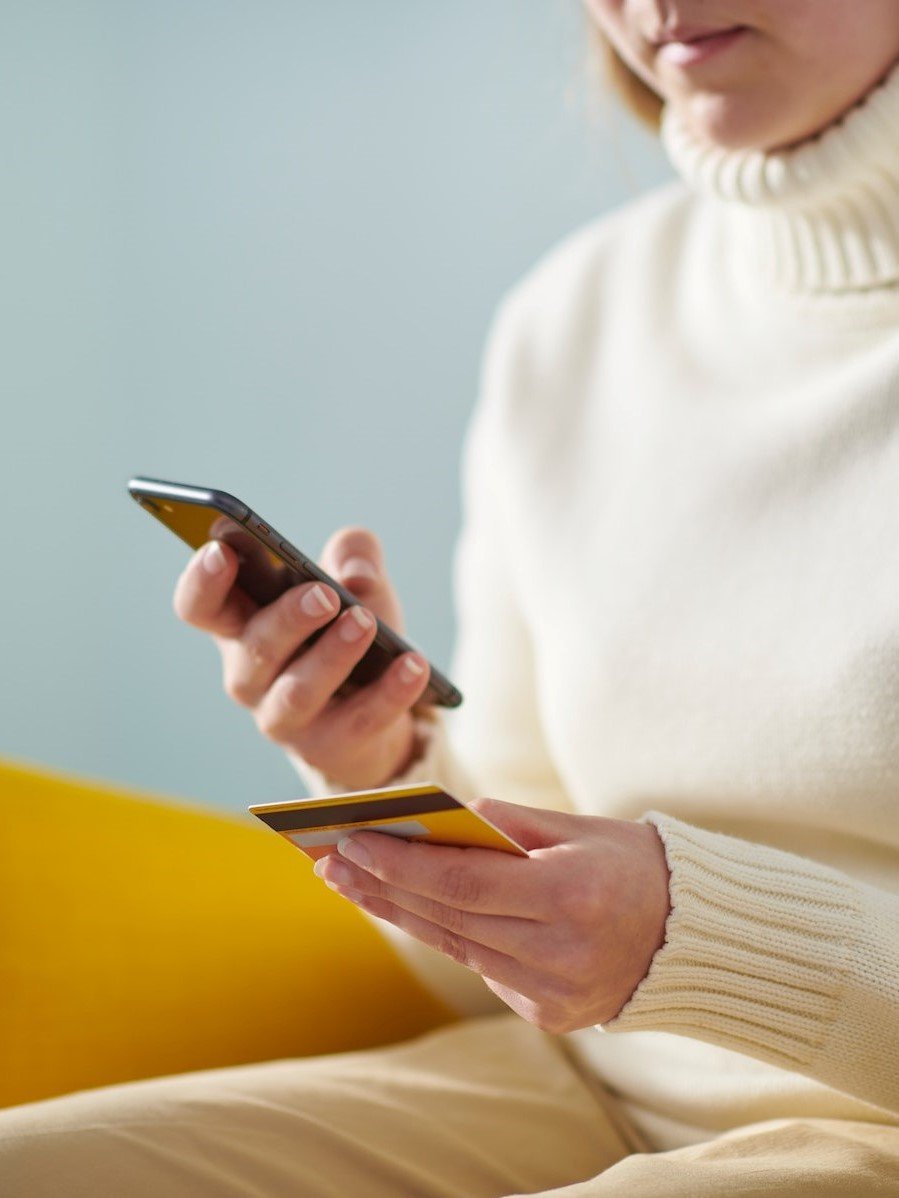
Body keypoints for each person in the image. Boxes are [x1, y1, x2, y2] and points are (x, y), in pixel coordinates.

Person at [3, 2, 899, 1194]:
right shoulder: (573, 318)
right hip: (579, 1083)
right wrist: (379, 767)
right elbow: (490, 957)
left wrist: (699, 938)